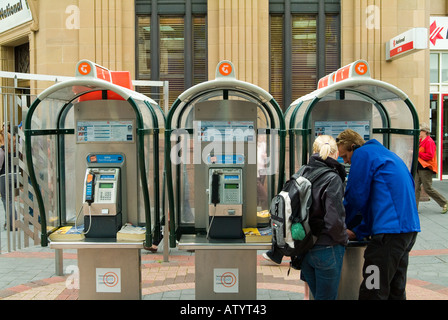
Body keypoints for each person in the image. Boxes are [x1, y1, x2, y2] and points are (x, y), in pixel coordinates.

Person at [336, 129, 420, 300]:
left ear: (354, 147)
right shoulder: (385, 155)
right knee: (395, 290)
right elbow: (377, 203)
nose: (345, 162)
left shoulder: (363, 154)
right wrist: (360, 230)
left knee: (372, 289)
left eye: (345, 156)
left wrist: (343, 225)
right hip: (407, 231)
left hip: (388, 234)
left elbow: (355, 196)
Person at [298, 135, 348, 300]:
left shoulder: (301, 172)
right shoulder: (333, 178)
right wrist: (342, 239)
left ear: (313, 151)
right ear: (335, 154)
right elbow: (334, 220)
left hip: (304, 248)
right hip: (327, 247)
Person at [414, 123, 448, 213]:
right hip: (419, 167)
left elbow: (429, 156)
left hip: (426, 168)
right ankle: (414, 209)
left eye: (420, 130)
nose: (418, 132)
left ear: (425, 131)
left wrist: (417, 152)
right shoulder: (420, 140)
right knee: (416, 187)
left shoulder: (429, 141)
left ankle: (444, 202)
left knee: (427, 188)